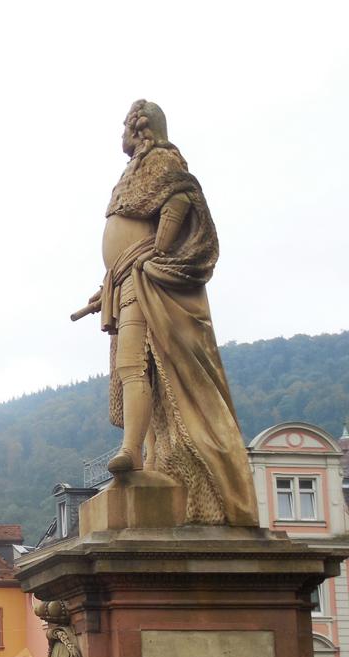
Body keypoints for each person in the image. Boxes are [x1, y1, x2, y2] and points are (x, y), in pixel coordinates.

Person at [77, 100, 257, 525]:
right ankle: (140, 451)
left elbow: (180, 195)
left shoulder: (161, 159)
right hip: (125, 280)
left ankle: (131, 452)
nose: (121, 132)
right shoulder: (133, 172)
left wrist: (158, 249)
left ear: (140, 129)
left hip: (147, 278)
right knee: (135, 370)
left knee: (135, 366)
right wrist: (105, 286)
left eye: (125, 125)